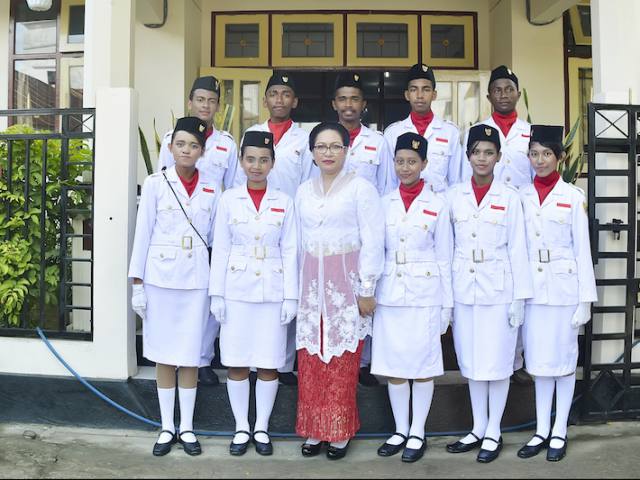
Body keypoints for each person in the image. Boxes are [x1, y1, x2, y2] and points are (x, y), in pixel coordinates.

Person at [129, 117, 219, 457]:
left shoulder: (212, 188)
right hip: (161, 280)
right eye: (181, 144)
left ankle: (188, 427)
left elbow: (216, 240)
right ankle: (167, 426)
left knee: (190, 355)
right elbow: (143, 234)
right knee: (165, 354)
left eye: (193, 145)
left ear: (202, 151)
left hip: (196, 280)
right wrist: (137, 283)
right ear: (170, 147)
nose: (186, 150)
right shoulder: (155, 183)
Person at [295, 122, 384, 460]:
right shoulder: (304, 190)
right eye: (321, 147)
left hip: (345, 289)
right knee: (312, 361)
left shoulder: (361, 188)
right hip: (310, 290)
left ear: (347, 150)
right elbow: (297, 242)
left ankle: (339, 431)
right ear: (313, 152)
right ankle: (315, 430)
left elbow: (374, 240)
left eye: (335, 146)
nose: (328, 153)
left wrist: (367, 288)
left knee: (342, 362)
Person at [445, 124, 532, 463]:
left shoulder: (509, 197)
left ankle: (494, 429)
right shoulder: (454, 196)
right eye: (476, 152)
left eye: (488, 152)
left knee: (496, 364)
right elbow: (446, 247)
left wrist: (519, 299)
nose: (482, 158)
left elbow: (519, 249)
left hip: (499, 289)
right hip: (464, 289)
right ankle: (477, 426)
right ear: (468, 156)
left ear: (498, 157)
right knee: (472, 363)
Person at [209, 131, 298, 457]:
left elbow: (290, 250)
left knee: (269, 363)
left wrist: (292, 297)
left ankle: (260, 426)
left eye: (263, 159)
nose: (256, 166)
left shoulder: (284, 201)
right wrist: (216, 294)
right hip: (236, 291)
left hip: (272, 293)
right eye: (250, 159)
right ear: (241, 161)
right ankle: (241, 427)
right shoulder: (228, 199)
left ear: (272, 163)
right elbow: (220, 249)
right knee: (237, 363)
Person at [516, 125, 597, 462]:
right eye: (534, 154)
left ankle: (559, 429)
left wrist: (585, 301)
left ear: (560, 158)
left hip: (564, 290)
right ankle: (541, 430)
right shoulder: (520, 196)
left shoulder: (572, 197)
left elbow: (583, 251)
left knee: (563, 364)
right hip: (533, 291)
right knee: (539, 364)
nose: (540, 160)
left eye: (547, 154)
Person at [371, 132, 453, 463]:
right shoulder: (383, 202)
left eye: (412, 162)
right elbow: (375, 252)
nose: (405, 167)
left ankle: (417, 430)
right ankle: (400, 428)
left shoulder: (437, 205)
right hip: (390, 292)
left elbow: (445, 256)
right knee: (394, 364)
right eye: (400, 161)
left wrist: (447, 305)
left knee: (422, 364)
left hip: (425, 292)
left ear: (424, 164)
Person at [157, 75, 238, 387]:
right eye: (200, 99)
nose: (206, 105)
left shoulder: (227, 144)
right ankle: (176, 357)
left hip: (214, 233)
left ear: (218, 105)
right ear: (190, 101)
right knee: (179, 299)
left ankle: (202, 359)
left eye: (212, 100)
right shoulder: (171, 140)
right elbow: (165, 184)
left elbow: (232, 190)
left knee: (208, 300)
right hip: (178, 234)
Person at [235, 73, 315, 386]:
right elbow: (238, 179)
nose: (279, 99)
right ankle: (255, 362)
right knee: (255, 293)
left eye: (286, 94)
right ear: (265, 98)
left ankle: (283, 366)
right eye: (274, 93)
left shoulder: (304, 138)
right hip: (256, 224)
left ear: (294, 101)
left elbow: (309, 182)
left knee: (289, 293)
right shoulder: (251, 133)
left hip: (292, 224)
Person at [461, 65, 535, 382]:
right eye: (497, 89)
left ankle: (516, 361)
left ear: (517, 93)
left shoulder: (531, 132)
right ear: (489, 95)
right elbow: (464, 175)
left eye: (509, 88)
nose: (503, 94)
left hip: (523, 217)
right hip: (486, 217)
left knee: (517, 286)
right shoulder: (477, 131)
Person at [332, 71, 394, 386]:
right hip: (333, 235)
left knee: (365, 297)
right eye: (343, 98)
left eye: (354, 98)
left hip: (366, 235)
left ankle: (364, 363)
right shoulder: (324, 139)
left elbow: (385, 189)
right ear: (334, 103)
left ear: (363, 104)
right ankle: (336, 357)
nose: (348, 105)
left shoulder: (377, 142)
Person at [383, 63, 462, 193]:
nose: (420, 95)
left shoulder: (450, 132)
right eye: (414, 89)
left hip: (440, 207)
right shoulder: (393, 133)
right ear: (407, 95)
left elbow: (455, 181)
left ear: (434, 95)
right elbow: (390, 183)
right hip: (404, 209)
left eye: (426, 89)